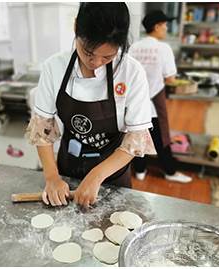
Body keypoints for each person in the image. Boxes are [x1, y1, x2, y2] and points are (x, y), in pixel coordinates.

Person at [26, 3, 156, 208]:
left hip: (113, 175)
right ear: (76, 27)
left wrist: (96, 176)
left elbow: (136, 139)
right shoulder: (54, 67)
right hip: (68, 170)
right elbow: (42, 130)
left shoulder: (131, 72)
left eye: (108, 56)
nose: (95, 62)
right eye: (88, 52)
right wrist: (52, 178)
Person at [129, 10, 192, 183]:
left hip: (135, 100)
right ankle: (170, 172)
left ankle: (140, 170)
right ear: (156, 27)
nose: (166, 28)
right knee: (161, 137)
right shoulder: (163, 48)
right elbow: (170, 78)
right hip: (155, 100)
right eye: (164, 25)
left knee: (137, 133)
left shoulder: (134, 47)